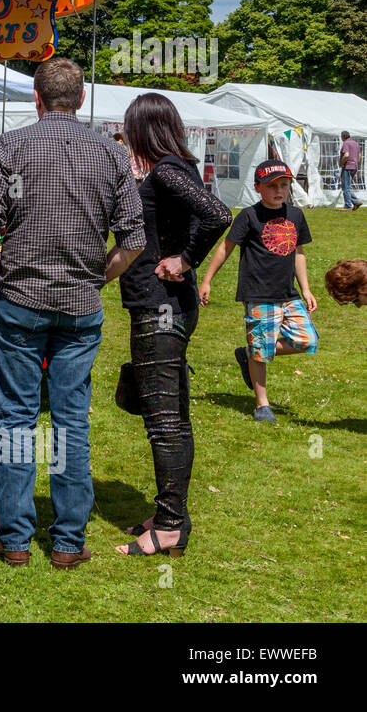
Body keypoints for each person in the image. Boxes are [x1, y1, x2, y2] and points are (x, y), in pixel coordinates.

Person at [0, 57, 145, 569]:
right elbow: (133, 240)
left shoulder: (10, 146)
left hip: (21, 301)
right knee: (71, 421)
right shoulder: (110, 155)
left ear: (37, 98)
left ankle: (17, 539)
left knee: (15, 419)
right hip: (77, 305)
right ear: (82, 99)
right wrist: (100, 276)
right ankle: (68, 542)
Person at [115, 93, 231, 558]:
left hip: (161, 307)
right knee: (171, 416)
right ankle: (172, 513)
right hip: (165, 304)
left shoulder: (165, 170)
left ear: (143, 128)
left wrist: (185, 259)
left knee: (164, 421)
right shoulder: (176, 166)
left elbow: (219, 215)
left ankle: (167, 527)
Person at [199, 160, 318, 423]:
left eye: (284, 185)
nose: (279, 190)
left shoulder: (296, 216)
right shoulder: (249, 216)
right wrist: (207, 280)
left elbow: (299, 253)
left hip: (289, 294)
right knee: (262, 350)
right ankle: (262, 405)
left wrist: (306, 289)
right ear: (257, 188)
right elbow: (225, 248)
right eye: (272, 186)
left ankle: (249, 353)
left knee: (307, 340)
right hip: (259, 294)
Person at [337, 130, 361, 210]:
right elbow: (359, 156)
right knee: (348, 186)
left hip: (347, 167)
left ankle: (348, 205)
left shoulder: (346, 143)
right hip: (354, 166)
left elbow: (346, 155)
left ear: (343, 137)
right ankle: (356, 202)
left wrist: (341, 163)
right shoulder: (356, 143)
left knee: (345, 187)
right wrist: (355, 163)